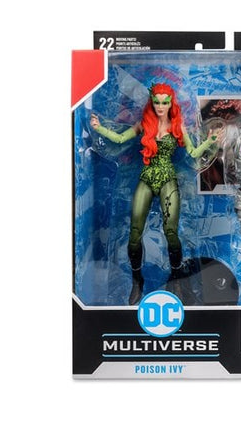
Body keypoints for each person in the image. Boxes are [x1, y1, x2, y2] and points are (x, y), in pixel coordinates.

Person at [90, 83, 222, 304]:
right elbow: (120, 139)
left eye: (165, 102)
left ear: (171, 103)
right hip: (146, 178)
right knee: (134, 233)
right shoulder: (144, 124)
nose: (160, 106)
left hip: (168, 179)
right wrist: (99, 128)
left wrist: (210, 141)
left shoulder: (178, 126)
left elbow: (193, 153)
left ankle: (177, 279)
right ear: (152, 102)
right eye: (157, 102)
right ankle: (137, 280)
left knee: (171, 232)